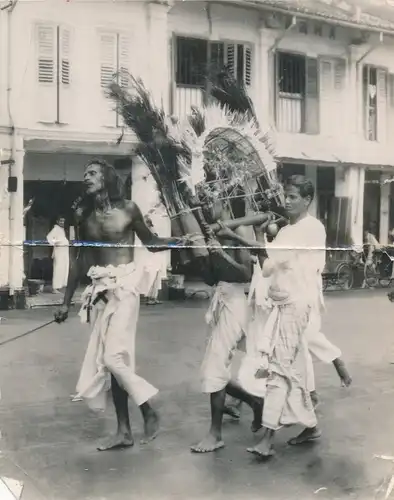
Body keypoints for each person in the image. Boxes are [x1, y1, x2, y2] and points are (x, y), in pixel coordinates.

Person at [54, 159, 188, 451]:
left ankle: (147, 407)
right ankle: (124, 432)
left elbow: (151, 242)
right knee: (113, 362)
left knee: (114, 358)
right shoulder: (83, 215)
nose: (85, 177)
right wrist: (65, 302)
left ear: (106, 178)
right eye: (84, 173)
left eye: (92, 173)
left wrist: (180, 241)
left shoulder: (128, 208)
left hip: (126, 289)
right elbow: (78, 262)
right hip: (100, 291)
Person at [244, 175, 332, 458]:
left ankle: (267, 438)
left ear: (308, 200)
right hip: (282, 306)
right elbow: (267, 267)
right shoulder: (287, 231)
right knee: (284, 367)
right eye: (286, 195)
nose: (287, 201)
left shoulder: (310, 228)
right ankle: (311, 425)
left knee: (279, 370)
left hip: (297, 305)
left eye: (294, 196)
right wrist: (258, 239)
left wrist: (253, 237)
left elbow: (271, 262)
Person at [190, 195, 260, 454]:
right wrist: (200, 258)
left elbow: (245, 274)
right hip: (220, 299)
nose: (207, 205)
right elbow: (211, 279)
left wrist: (220, 254)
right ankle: (255, 402)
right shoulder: (210, 230)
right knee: (215, 367)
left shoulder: (239, 229)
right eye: (204, 202)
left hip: (238, 302)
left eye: (212, 200)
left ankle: (215, 434)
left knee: (214, 367)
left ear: (225, 202)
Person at [141, 215, 165, 305]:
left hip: (156, 257)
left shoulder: (153, 231)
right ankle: (148, 297)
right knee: (151, 278)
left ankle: (154, 297)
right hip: (150, 258)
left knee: (157, 278)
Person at [47, 216, 70, 293]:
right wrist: (57, 241)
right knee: (58, 268)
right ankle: (55, 287)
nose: (62, 223)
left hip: (64, 251)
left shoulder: (62, 230)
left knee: (64, 268)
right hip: (59, 251)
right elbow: (49, 238)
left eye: (63, 221)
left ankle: (61, 285)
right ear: (57, 221)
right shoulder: (55, 229)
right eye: (60, 221)